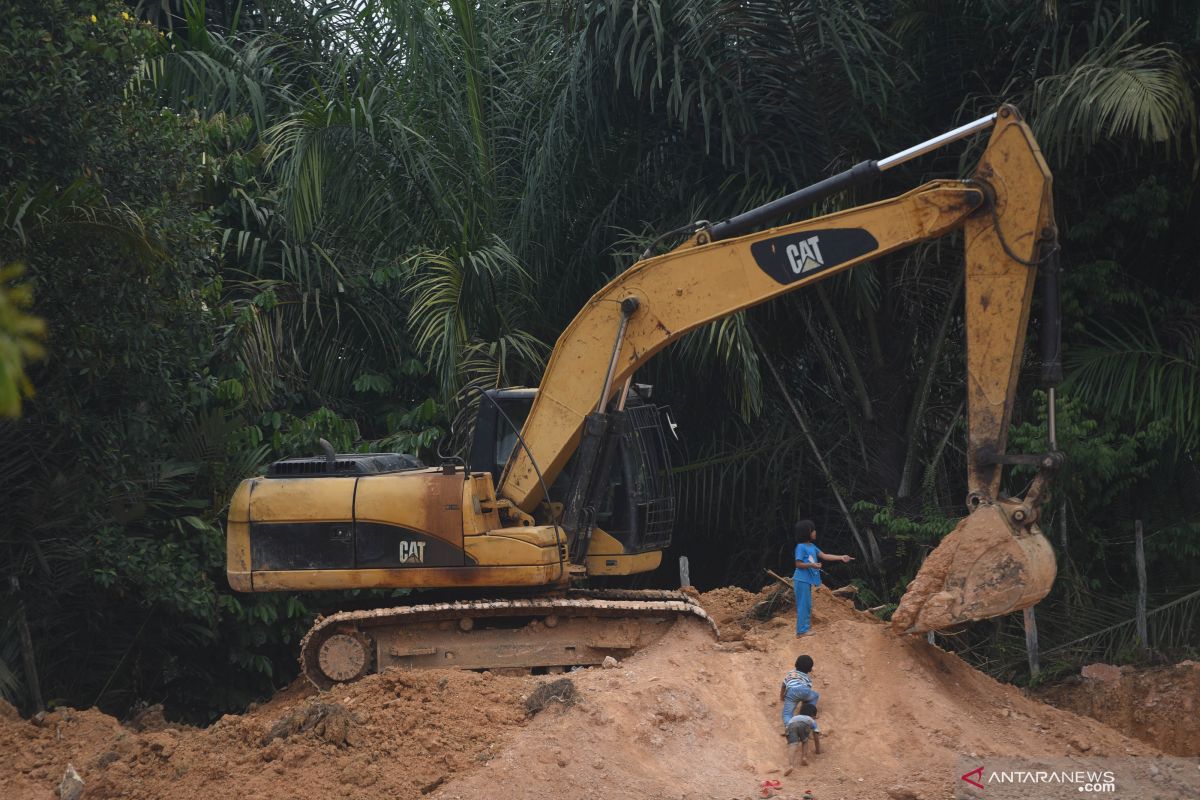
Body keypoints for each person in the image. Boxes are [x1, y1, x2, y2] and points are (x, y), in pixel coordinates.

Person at [791, 519, 853, 636]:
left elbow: (824, 556)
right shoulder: (800, 547)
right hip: (801, 579)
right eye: (813, 530)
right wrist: (812, 564)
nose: (815, 532)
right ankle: (801, 631)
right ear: (807, 532)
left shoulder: (812, 546)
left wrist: (841, 557)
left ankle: (804, 629)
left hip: (806, 580)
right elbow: (798, 564)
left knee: (807, 604)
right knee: (803, 604)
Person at [780, 654, 820, 726]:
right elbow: (807, 690)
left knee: (787, 714)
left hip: (791, 692)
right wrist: (804, 703)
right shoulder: (807, 678)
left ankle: (789, 728)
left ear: (796, 664)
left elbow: (784, 685)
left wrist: (782, 696)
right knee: (815, 695)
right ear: (810, 669)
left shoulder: (790, 673)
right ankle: (807, 714)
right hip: (805, 691)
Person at [782, 702, 821, 774]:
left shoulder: (795, 717)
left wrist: (789, 738)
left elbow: (787, 728)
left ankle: (790, 765)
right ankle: (804, 758)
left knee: (792, 744)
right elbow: (816, 735)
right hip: (804, 725)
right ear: (813, 715)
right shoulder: (811, 719)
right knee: (805, 741)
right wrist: (818, 750)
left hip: (791, 726)